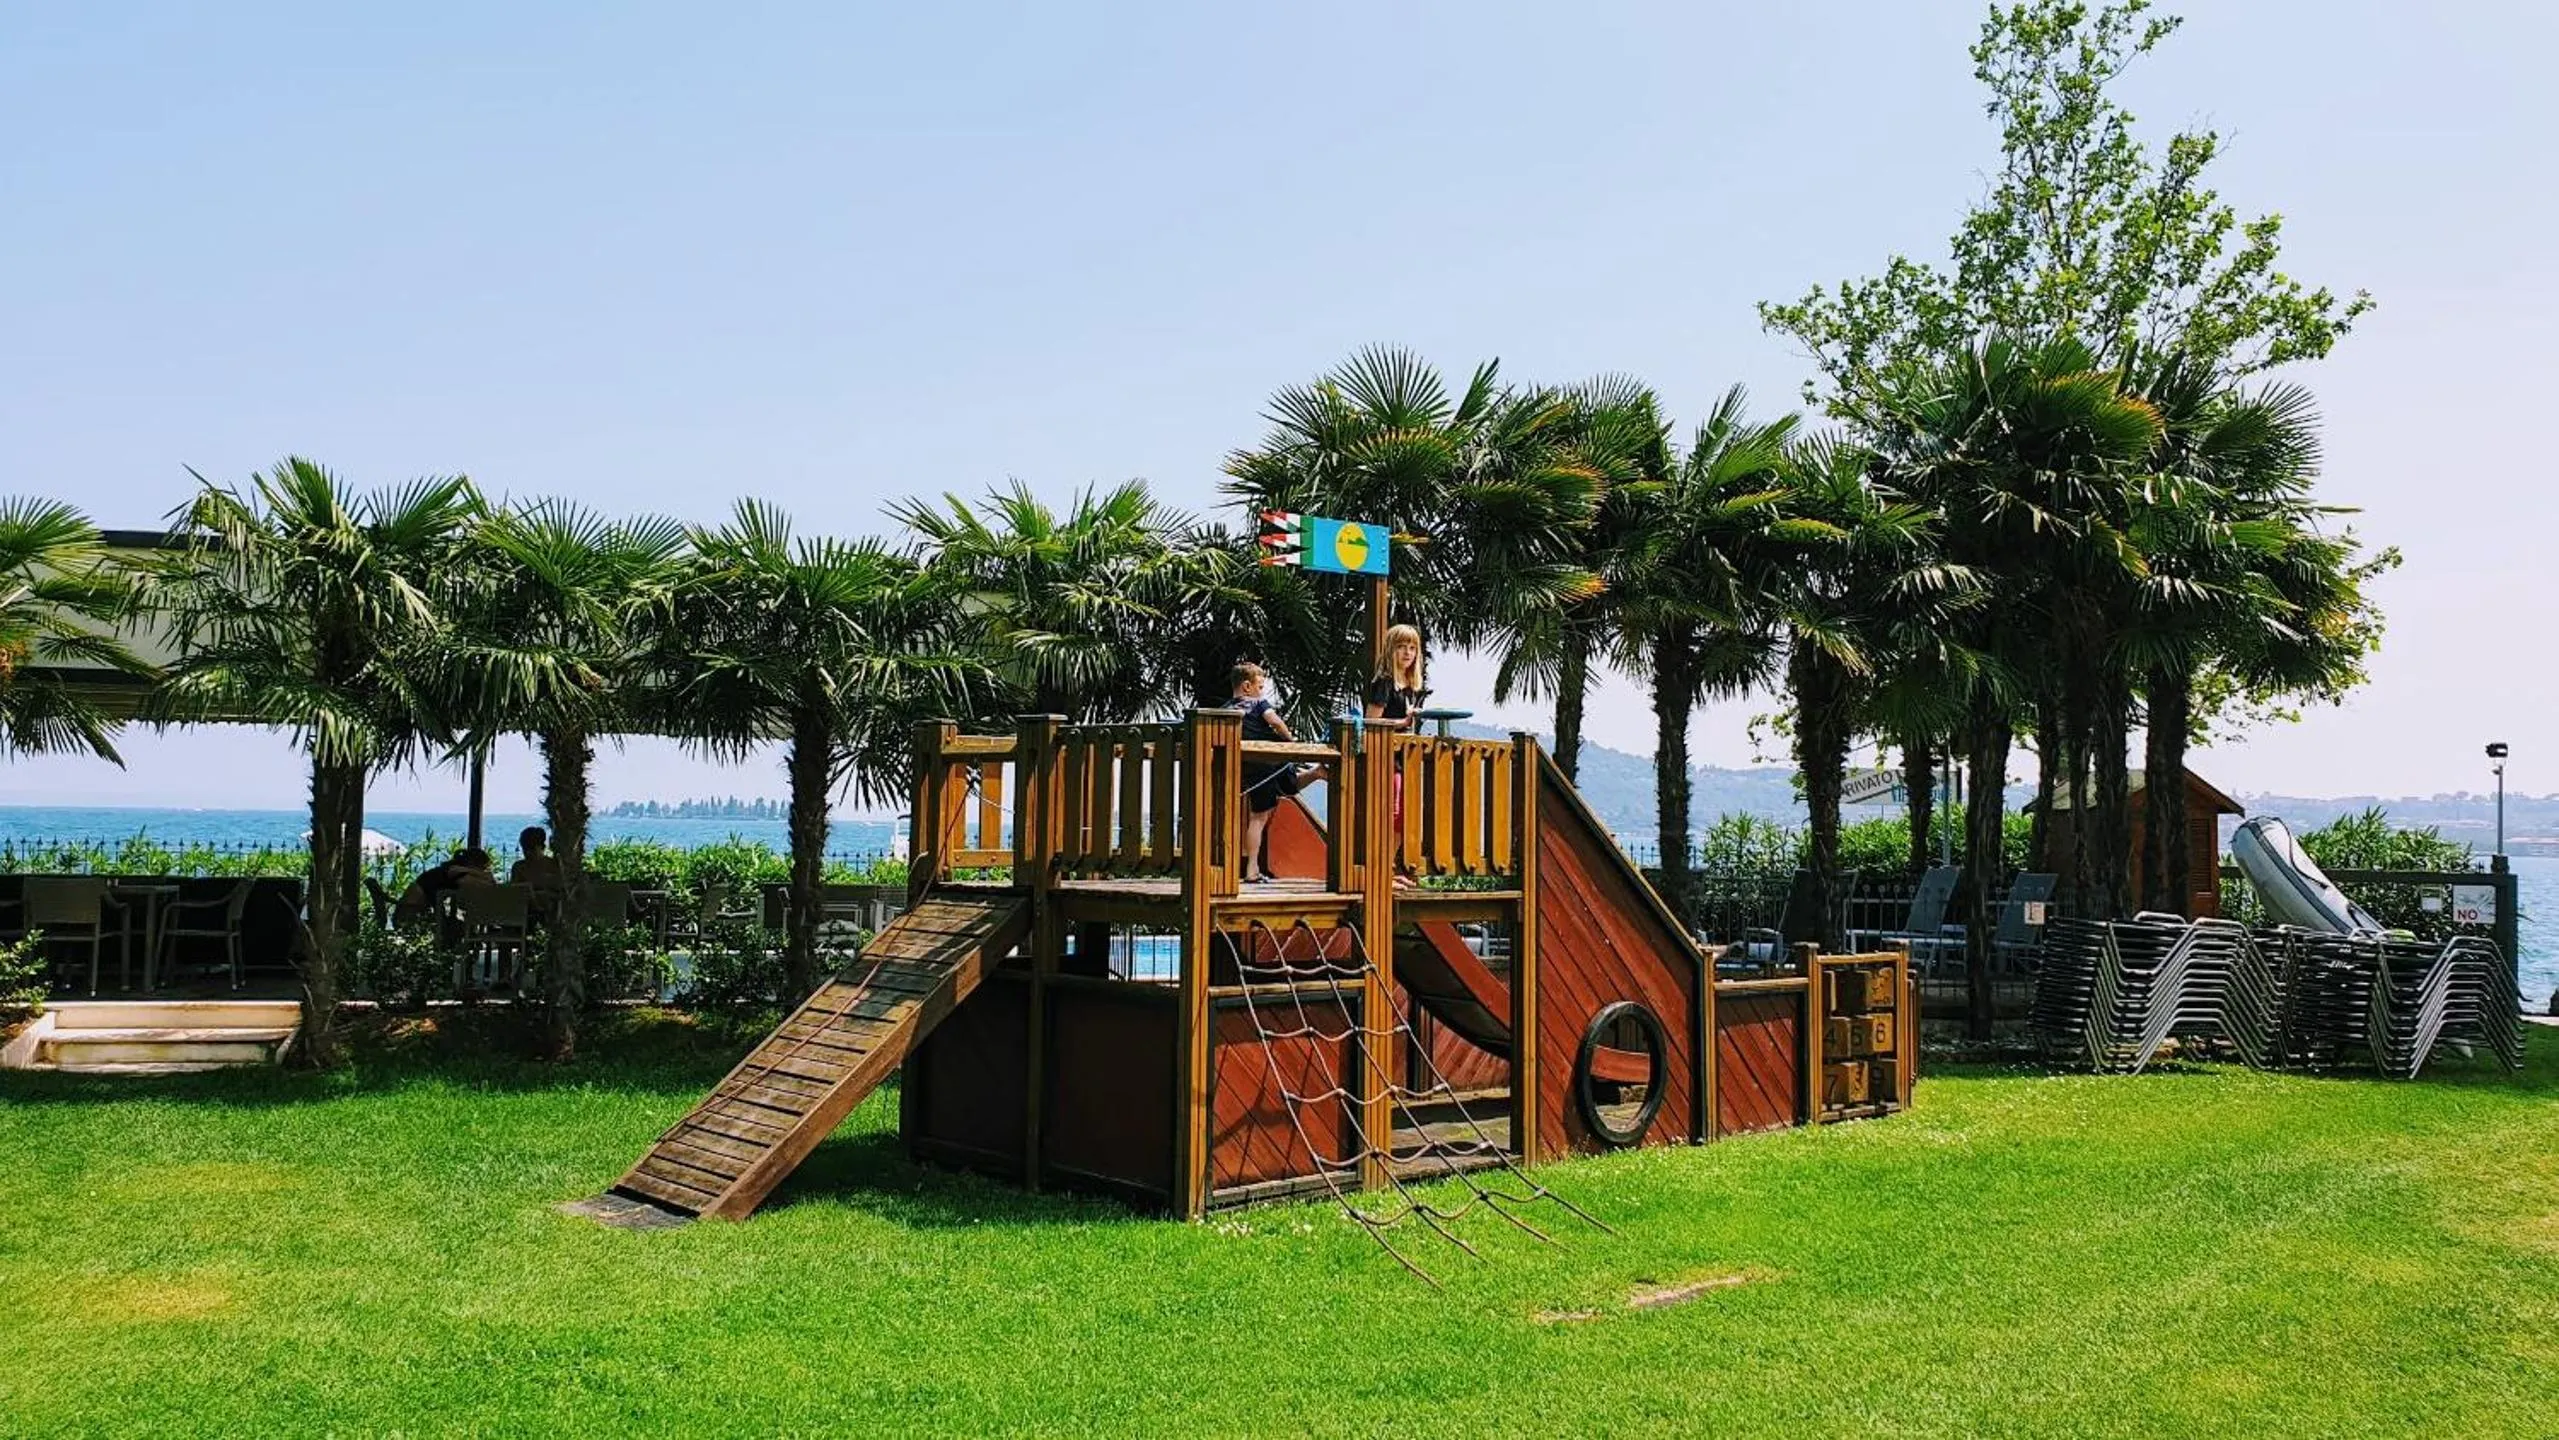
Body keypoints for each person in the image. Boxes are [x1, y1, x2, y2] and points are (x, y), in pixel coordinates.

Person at [1234, 662, 1312, 884]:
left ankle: (1316, 774)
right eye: (1260, 686)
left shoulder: (1227, 709)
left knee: (1282, 792)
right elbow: (1275, 722)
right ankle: (1252, 869)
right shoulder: (1258, 703)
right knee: (1259, 816)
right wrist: (1290, 740)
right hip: (1271, 761)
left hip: (1250, 768)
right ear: (1247, 686)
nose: (1262, 691)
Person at [1365, 625, 1429, 884]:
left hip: (1405, 759)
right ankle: (1379, 871)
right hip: (1386, 758)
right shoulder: (1384, 683)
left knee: (1403, 817)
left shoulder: (1411, 687)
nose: (1407, 653)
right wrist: (1403, 722)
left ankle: (1388, 869)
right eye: (1402, 647)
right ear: (1391, 650)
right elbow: (1371, 722)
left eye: (1412, 648)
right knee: (1389, 814)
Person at [394, 846, 494, 928]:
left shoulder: (452, 870)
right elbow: (471, 883)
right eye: (483, 868)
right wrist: (485, 876)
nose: (484, 870)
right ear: (473, 864)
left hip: (415, 908)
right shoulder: (455, 871)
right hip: (410, 910)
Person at [510, 826, 562, 890]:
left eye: (532, 849)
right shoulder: (519, 868)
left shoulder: (554, 865)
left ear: (542, 847)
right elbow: (513, 891)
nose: (528, 853)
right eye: (525, 849)